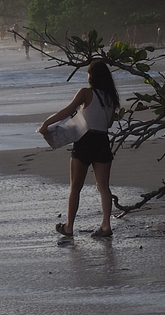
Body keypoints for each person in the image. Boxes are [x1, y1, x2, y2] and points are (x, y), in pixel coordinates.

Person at [39, 60, 120, 238]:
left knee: (76, 187)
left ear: (92, 76)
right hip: (102, 140)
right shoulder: (111, 97)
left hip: (85, 140)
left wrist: (47, 123)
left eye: (89, 73)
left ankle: (69, 227)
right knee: (103, 187)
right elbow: (108, 123)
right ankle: (106, 225)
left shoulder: (85, 93)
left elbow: (68, 111)